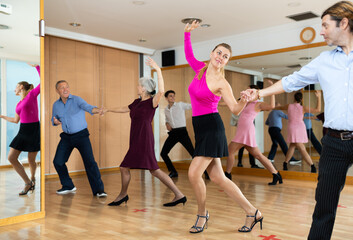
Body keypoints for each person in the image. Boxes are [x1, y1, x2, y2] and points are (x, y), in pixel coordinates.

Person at [244, 2, 353, 238]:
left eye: (325, 25)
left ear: (343, 23)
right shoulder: (324, 60)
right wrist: (260, 93)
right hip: (334, 143)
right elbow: (291, 81)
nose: (321, 31)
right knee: (324, 205)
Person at [185, 21, 263, 234]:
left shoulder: (222, 82)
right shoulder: (199, 69)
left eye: (225, 56)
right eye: (218, 52)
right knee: (218, 177)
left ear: (227, 61)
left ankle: (202, 214)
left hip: (212, 126)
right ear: (211, 53)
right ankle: (252, 211)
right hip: (200, 126)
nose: (220, 57)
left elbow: (236, 109)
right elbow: (189, 56)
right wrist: (187, 34)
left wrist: (246, 99)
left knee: (194, 174)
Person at [103, 58, 186, 207]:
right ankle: (179, 195)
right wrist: (108, 109)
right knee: (151, 170)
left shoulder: (151, 102)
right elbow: (124, 108)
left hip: (144, 137)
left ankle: (123, 195)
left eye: (139, 85)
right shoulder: (137, 102)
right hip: (135, 137)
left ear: (144, 88)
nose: (137, 86)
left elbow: (161, 91)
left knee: (133, 167)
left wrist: (158, 70)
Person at [52, 80, 106, 197]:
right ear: (57, 91)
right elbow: (54, 119)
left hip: (81, 135)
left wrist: (98, 110)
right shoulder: (56, 105)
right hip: (66, 137)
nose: (65, 89)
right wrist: (55, 122)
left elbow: (88, 107)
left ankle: (99, 190)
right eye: (62, 88)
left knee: (90, 162)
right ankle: (68, 185)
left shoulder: (77, 100)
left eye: (67, 87)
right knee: (58, 161)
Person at [225, 82, 283, 185]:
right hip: (243, 130)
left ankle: (227, 175)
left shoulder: (258, 104)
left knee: (230, 150)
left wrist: (272, 92)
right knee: (258, 156)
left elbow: (272, 106)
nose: (246, 93)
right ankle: (276, 174)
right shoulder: (245, 102)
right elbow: (229, 104)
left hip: (246, 130)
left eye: (249, 91)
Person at [0, 65, 40, 195]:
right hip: (23, 131)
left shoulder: (32, 95)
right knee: (11, 157)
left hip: (33, 129)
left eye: (16, 86)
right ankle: (28, 182)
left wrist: (38, 67)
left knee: (31, 160)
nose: (14, 89)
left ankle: (33, 178)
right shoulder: (18, 104)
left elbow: (42, 83)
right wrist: (2, 116)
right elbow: (15, 120)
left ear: (21, 87)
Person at [161, 90, 209, 179]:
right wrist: (166, 123)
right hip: (173, 134)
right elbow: (167, 119)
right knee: (163, 153)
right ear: (166, 98)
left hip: (182, 132)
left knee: (193, 153)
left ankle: (206, 172)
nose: (173, 97)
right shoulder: (166, 110)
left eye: (173, 96)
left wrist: (203, 102)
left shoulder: (180, 105)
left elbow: (193, 106)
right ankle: (173, 171)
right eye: (171, 96)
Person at [275, 91, 321, 173]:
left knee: (292, 146)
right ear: (302, 99)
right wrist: (319, 97)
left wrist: (272, 102)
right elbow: (318, 109)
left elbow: (278, 107)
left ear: (294, 98)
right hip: (299, 127)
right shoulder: (303, 108)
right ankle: (312, 165)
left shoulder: (289, 106)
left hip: (292, 127)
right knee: (301, 147)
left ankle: (285, 163)